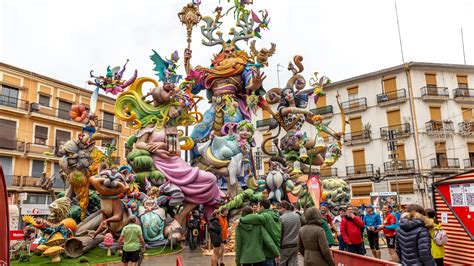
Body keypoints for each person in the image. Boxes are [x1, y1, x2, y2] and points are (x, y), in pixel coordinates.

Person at [240, 199, 281, 266]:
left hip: (267, 251)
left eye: (258, 206)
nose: (257, 208)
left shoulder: (265, 216)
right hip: (274, 248)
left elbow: (255, 218)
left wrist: (241, 219)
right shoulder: (273, 214)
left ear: (262, 207)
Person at [278, 200, 301, 266]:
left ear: (284, 207)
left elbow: (280, 233)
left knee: (282, 263)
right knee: (293, 263)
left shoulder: (281, 218)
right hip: (296, 244)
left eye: (280, 208)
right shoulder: (297, 216)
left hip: (285, 245)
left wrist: (278, 245)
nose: (279, 210)